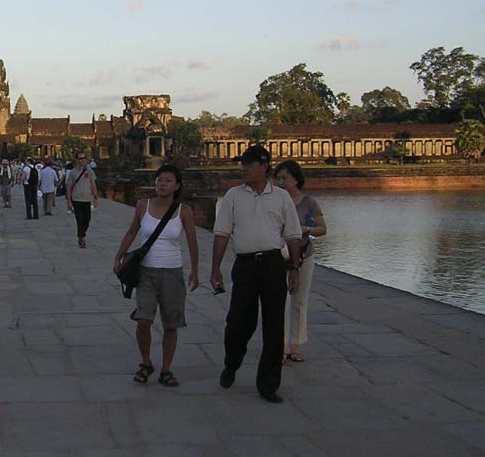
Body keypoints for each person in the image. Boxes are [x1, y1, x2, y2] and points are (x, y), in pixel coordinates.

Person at [210, 145, 303, 403]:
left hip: (273, 264)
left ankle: (268, 384)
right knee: (239, 322)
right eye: (243, 164)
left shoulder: (281, 197)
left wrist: (294, 267)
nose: (244, 169)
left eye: (249, 165)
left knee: (274, 325)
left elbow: (293, 235)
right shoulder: (233, 196)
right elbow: (222, 233)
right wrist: (215, 268)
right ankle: (232, 363)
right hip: (246, 265)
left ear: (264, 166)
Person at [113, 164, 199, 386]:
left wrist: (195, 271)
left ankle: (166, 369)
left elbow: (192, 242)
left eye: (168, 180)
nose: (162, 184)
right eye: (159, 179)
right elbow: (132, 231)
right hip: (146, 272)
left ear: (177, 185)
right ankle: (146, 362)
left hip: (172, 272)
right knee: (143, 320)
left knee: (171, 323)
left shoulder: (184, 211)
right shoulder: (143, 205)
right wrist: (119, 256)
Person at [273, 160, 327, 363]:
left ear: (295, 179)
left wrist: (306, 229)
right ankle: (281, 345)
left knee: (299, 300)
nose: (280, 182)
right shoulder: (275, 201)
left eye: (284, 178)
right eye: (277, 178)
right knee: (281, 301)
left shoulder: (309, 203)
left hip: (304, 255)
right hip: (280, 255)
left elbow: (322, 228)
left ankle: (294, 345)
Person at [66, 152, 98, 247]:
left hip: (87, 199)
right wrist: (69, 201)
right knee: (79, 219)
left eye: (84, 158)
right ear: (76, 160)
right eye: (80, 158)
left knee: (87, 219)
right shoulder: (73, 172)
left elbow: (93, 184)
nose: (82, 160)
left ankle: (81, 233)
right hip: (76, 199)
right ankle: (82, 238)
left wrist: (95, 197)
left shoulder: (89, 171)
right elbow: (69, 187)